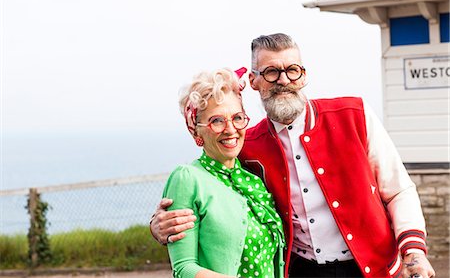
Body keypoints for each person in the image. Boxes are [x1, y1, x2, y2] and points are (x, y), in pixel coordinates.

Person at [150, 33, 435, 278]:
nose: (283, 80)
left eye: (292, 70)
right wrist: (160, 224)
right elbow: (208, 184)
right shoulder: (245, 142)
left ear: (304, 75)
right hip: (302, 272)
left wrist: (414, 251)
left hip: (374, 269)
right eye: (271, 72)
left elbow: (398, 190)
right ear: (253, 81)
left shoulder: (355, 114)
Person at [159, 67, 286, 278]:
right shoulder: (188, 179)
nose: (230, 129)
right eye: (217, 121)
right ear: (196, 129)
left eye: (237, 118)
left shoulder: (253, 178)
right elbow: (184, 268)